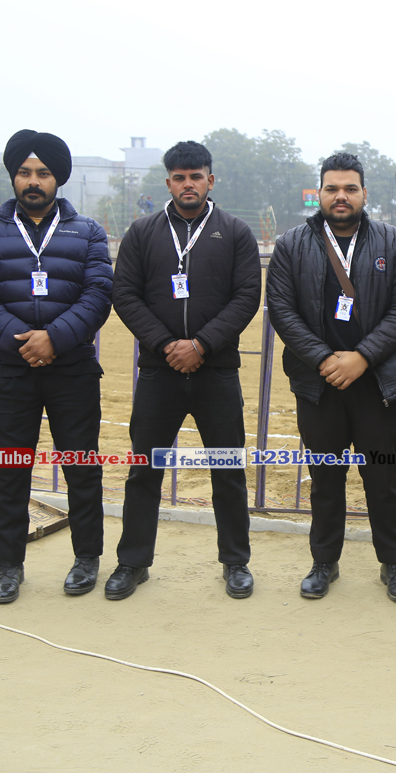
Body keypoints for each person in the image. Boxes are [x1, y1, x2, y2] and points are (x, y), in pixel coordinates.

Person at [0, 130, 112, 604]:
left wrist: (55, 339)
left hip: (73, 369)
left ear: (57, 179)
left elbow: (98, 294)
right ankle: (9, 565)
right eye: (24, 172)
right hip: (10, 369)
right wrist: (23, 341)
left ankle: (86, 558)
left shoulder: (87, 231)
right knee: (10, 470)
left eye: (43, 173)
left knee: (81, 467)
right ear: (13, 177)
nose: (33, 181)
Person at [106, 141, 261, 600]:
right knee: (143, 471)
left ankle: (236, 562)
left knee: (227, 469)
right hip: (160, 372)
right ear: (168, 182)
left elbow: (247, 296)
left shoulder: (235, 232)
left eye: (196, 176)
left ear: (210, 180)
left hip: (217, 371)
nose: (187, 184)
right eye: (179, 177)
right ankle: (132, 562)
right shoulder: (142, 232)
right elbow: (125, 294)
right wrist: (166, 344)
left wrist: (202, 345)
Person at [265, 152, 396, 601]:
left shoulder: (394, 243)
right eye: (332, 188)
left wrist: (362, 358)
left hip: (376, 385)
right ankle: (324, 562)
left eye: (350, 188)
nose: (341, 196)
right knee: (325, 480)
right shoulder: (292, 245)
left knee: (382, 479)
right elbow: (282, 310)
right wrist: (323, 359)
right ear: (318, 193)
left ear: (364, 193)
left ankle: (394, 564)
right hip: (319, 385)